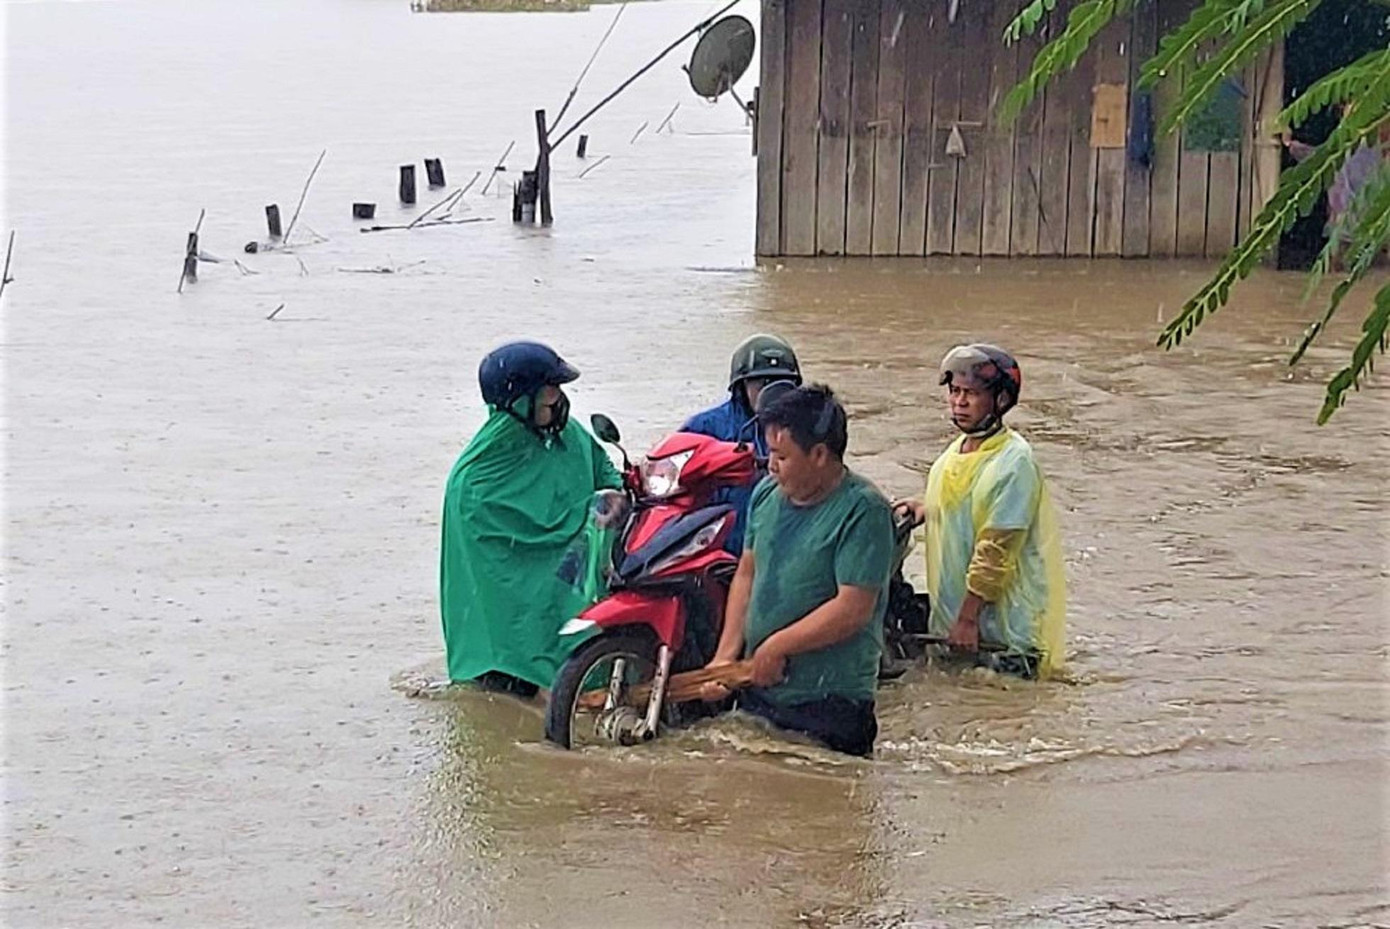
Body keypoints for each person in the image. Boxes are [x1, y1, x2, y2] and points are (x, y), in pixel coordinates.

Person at [702, 384, 893, 757]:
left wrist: (777, 646)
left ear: (819, 454)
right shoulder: (765, 494)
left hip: (829, 703)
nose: (771, 465)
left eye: (781, 456)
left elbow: (853, 609)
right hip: (760, 687)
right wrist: (725, 658)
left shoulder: (864, 511)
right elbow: (747, 574)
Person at [438, 341, 622, 696]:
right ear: (520, 400)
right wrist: (573, 525)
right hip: (508, 613)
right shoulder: (475, 478)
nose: (558, 398)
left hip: (567, 574)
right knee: (509, 669)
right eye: (549, 389)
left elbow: (606, 472)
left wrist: (613, 496)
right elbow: (499, 567)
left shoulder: (569, 435)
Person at [895, 344, 1065, 679]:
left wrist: (967, 618)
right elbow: (967, 502)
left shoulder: (1014, 462)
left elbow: (995, 551)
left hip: (1002, 633)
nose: (959, 402)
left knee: (1007, 704)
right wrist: (926, 507)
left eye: (971, 393)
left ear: (1000, 400)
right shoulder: (957, 452)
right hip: (958, 623)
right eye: (955, 391)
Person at [682, 334, 803, 552]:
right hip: (719, 546)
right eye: (762, 383)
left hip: (781, 545)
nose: (771, 392)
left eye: (781, 384)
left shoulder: (806, 427)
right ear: (742, 386)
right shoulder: (704, 427)